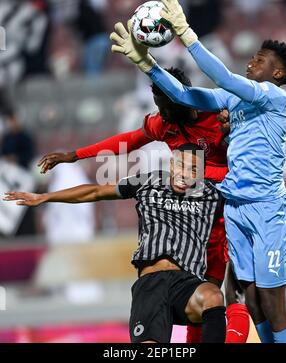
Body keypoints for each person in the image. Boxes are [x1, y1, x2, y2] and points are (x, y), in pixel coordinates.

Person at [108, 0, 286, 343]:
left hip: (267, 208)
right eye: (253, 57)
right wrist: (147, 64)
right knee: (253, 302)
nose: (252, 61)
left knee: (272, 300)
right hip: (236, 207)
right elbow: (183, 94)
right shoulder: (234, 99)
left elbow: (222, 76)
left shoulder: (273, 97)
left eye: (261, 60)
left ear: (278, 74)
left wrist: (186, 35)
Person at [36, 67, 250, 343]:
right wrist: (76, 155)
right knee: (199, 296)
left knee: (222, 294)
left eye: (164, 107)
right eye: (158, 107)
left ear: (181, 98)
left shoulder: (218, 114)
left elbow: (245, 163)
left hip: (221, 213)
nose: (161, 114)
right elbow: (128, 141)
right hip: (190, 217)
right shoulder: (163, 124)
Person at [4, 144, 226, 343]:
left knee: (214, 296)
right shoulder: (149, 180)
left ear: (202, 174)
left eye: (193, 170)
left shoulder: (212, 195)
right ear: (171, 163)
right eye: (181, 166)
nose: (185, 174)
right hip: (150, 286)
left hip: (186, 285)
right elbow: (96, 191)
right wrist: (45, 197)